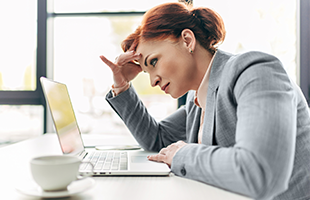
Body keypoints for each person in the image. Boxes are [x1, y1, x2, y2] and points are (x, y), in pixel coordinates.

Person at [99, 2, 310, 200]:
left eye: (153, 62)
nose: (153, 80)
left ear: (187, 40)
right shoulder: (196, 98)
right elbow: (158, 141)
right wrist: (122, 85)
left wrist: (183, 154)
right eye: (146, 72)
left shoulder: (254, 70)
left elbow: (259, 172)